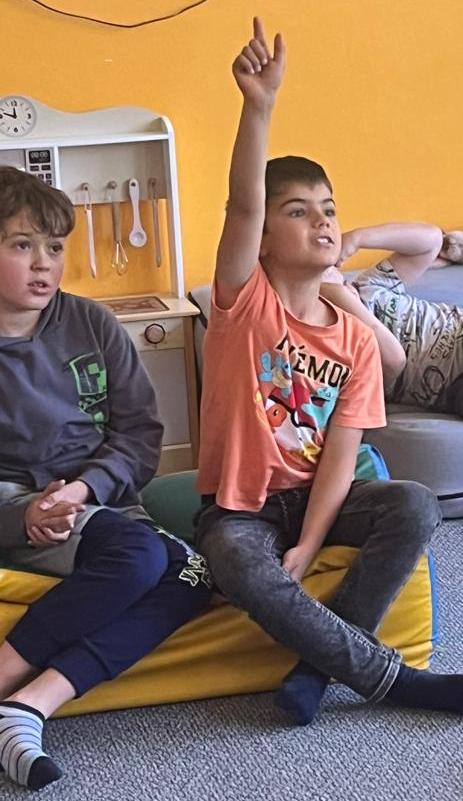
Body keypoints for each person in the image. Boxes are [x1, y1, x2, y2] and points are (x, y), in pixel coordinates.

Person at [193, 17, 463, 730]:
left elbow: (342, 454)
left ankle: (316, 667)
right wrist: (258, 106)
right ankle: (394, 681)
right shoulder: (242, 304)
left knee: (414, 503)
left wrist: (310, 543)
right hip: (242, 507)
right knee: (233, 557)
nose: (321, 222)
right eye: (297, 211)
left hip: (317, 498)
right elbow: (242, 202)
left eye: (329, 210)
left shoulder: (354, 341)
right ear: (263, 238)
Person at [0, 165, 212, 791]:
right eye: (21, 245)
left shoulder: (92, 324)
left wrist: (87, 488)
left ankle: (29, 704)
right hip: (18, 509)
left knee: (192, 574)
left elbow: (141, 435)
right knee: (142, 555)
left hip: (100, 504)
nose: (44, 263)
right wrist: (24, 514)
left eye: (54, 247)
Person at [319, 223, 463, 414]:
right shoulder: (336, 343)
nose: (330, 269)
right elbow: (393, 360)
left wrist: (356, 238)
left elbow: (431, 240)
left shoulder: (369, 287)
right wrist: (339, 297)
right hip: (453, 385)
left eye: (330, 267)